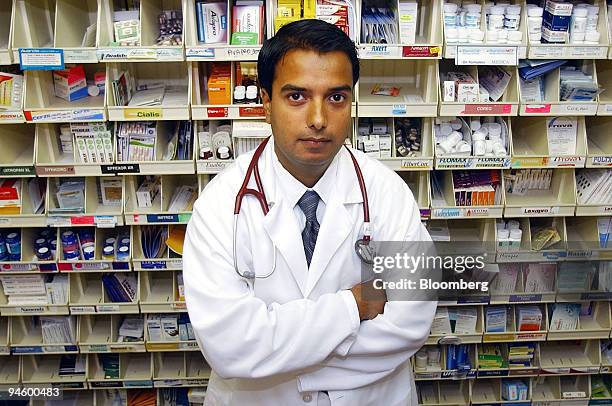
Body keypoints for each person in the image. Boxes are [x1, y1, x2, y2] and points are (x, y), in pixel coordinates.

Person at [183, 19, 436, 406]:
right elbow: (229, 346)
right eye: (297, 96)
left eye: (336, 97)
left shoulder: (387, 193)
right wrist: (354, 305)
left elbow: (410, 322)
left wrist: (281, 360)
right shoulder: (220, 207)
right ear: (266, 102)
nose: (318, 119)